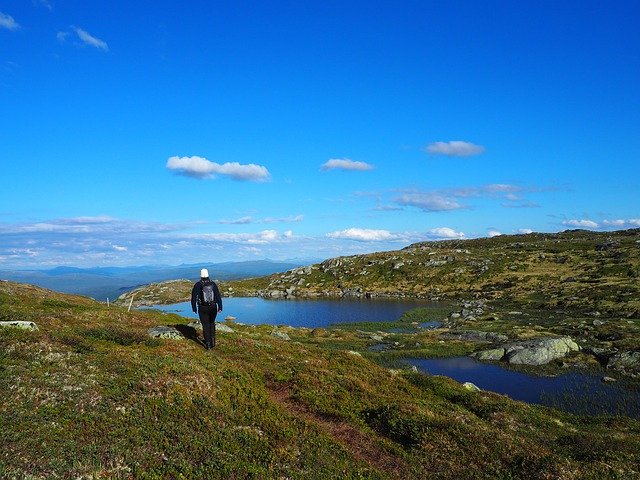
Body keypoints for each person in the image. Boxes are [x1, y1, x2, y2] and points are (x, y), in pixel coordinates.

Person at [191, 268, 222, 350]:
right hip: (213, 307)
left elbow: (193, 298)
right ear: (208, 275)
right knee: (212, 323)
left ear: (200, 275)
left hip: (202, 308)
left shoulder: (197, 285)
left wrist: (194, 308)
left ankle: (208, 345)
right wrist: (220, 307)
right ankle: (213, 341)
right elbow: (218, 296)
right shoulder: (213, 284)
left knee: (205, 326)